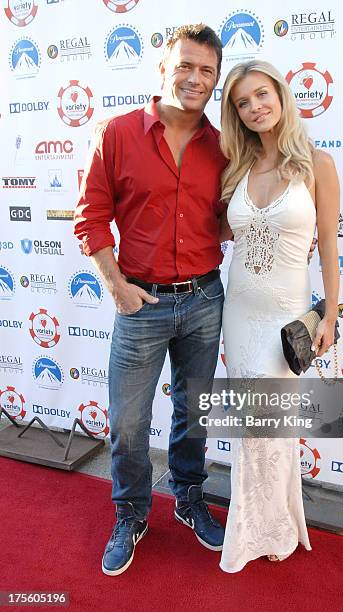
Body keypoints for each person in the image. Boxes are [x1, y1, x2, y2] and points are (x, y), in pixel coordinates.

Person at [74, 24, 229, 576]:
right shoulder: (116, 133)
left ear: (215, 80)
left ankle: (189, 500)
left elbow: (236, 216)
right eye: (184, 65)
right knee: (129, 422)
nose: (194, 78)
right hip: (140, 302)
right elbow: (90, 216)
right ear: (163, 69)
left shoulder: (224, 144)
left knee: (193, 414)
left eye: (206, 70)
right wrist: (116, 286)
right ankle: (132, 512)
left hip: (206, 298)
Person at [218, 60, 340, 573]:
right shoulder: (237, 169)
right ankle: (252, 528)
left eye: (261, 95)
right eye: (243, 103)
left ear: (282, 96)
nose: (255, 108)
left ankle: (277, 527)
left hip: (286, 322)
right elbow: (227, 234)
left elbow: (330, 245)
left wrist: (330, 316)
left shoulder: (318, 164)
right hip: (239, 312)